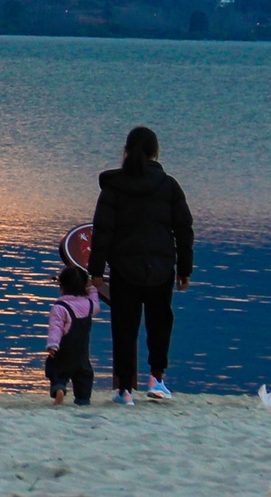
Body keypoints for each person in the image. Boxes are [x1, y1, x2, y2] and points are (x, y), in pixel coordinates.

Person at [87, 125, 194, 406]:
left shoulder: (114, 187)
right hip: (160, 267)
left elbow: (102, 230)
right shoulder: (168, 185)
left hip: (124, 268)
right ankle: (157, 381)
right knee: (160, 324)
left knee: (124, 328)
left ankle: (125, 391)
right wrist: (184, 269)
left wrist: (96, 270)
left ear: (126, 151)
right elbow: (183, 229)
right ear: (156, 153)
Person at [44, 265, 100, 405]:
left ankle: (59, 389)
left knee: (56, 369)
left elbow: (55, 328)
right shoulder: (89, 304)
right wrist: (92, 289)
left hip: (64, 350)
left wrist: (53, 345)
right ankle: (83, 399)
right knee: (84, 375)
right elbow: (96, 305)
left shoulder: (60, 307)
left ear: (62, 286)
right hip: (82, 352)